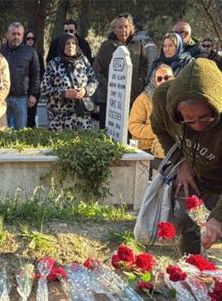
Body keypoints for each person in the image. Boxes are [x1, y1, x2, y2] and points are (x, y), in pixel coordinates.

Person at [150, 58, 222, 254]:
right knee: (185, 220)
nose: (197, 126)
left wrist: (218, 217)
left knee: (215, 227)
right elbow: (159, 128)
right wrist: (181, 162)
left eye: (205, 119)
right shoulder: (163, 99)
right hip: (193, 177)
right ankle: (191, 267)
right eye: (188, 120)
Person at [93, 13, 149, 129]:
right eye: (120, 27)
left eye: (126, 26)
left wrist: (139, 82)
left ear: (131, 28)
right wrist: (109, 85)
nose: (124, 30)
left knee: (128, 131)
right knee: (107, 131)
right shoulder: (106, 46)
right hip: (109, 98)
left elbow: (144, 65)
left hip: (131, 97)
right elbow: (97, 70)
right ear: (114, 29)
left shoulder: (139, 45)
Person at [40, 34, 98, 131]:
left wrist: (85, 91)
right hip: (59, 118)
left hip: (82, 116)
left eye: (73, 43)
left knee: (83, 144)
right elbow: (44, 88)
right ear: (62, 46)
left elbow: (94, 81)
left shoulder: (84, 61)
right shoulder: (53, 64)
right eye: (67, 43)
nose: (70, 46)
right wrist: (63, 93)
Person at [128, 64, 174, 162]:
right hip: (147, 146)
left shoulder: (177, 98)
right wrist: (158, 131)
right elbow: (133, 126)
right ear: (154, 80)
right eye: (159, 79)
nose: (163, 81)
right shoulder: (143, 99)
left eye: (166, 78)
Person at [1, 22, 40, 130]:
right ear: (8, 34)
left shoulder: (30, 52)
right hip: (2, 97)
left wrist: (33, 94)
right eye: (13, 34)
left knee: (20, 131)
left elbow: (35, 75)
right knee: (2, 130)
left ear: (22, 36)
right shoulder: (0, 51)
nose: (16, 37)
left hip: (21, 98)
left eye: (19, 34)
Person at [24, 29, 44, 128]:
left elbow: (41, 72)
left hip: (34, 90)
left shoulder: (38, 54)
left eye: (32, 38)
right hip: (22, 89)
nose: (30, 40)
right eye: (28, 38)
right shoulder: (21, 53)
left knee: (31, 117)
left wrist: (36, 91)